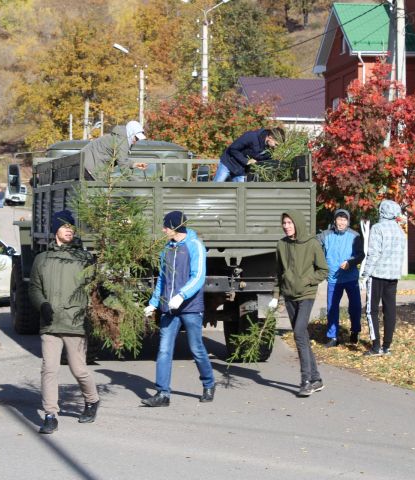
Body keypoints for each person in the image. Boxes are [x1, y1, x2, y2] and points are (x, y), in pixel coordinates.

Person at [29, 210, 100, 434]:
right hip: (50, 324)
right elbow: (34, 288)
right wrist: (42, 304)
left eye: (72, 226)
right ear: (55, 231)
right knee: (49, 369)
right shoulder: (42, 259)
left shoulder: (84, 258)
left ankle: (92, 400)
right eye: (64, 226)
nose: (69, 229)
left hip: (75, 323)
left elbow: (96, 287)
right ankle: (50, 414)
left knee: (78, 370)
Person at [142, 211, 215, 407]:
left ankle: (208, 383)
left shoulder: (195, 245)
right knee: (164, 350)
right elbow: (163, 279)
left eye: (166, 226)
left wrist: (181, 295)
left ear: (175, 227)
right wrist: (153, 303)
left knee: (196, 349)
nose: (163, 229)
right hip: (169, 309)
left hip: (190, 307)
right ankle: (162, 394)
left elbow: (198, 276)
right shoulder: (167, 249)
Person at [270, 210, 329, 397]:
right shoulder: (281, 244)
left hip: (306, 294)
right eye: (284, 223)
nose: (286, 226)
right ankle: (316, 379)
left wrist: (306, 280)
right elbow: (279, 273)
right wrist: (275, 296)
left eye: (289, 222)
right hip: (289, 295)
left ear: (297, 223)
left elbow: (323, 270)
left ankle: (305, 381)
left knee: (298, 333)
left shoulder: (312, 244)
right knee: (302, 335)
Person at [360, 199, 406, 356]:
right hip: (393, 276)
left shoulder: (378, 228)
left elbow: (373, 253)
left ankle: (375, 346)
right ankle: (387, 346)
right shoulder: (400, 231)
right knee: (390, 310)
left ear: (382, 212)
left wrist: (365, 275)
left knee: (371, 310)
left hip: (377, 274)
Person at [316, 209, 365, 347]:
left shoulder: (354, 235)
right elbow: (313, 246)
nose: (341, 222)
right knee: (332, 308)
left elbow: (361, 254)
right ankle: (333, 337)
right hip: (333, 278)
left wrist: (350, 262)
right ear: (335, 220)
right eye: (339, 219)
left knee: (355, 307)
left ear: (348, 222)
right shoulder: (326, 235)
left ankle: (355, 331)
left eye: (344, 219)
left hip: (350, 278)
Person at [81, 120, 149, 179]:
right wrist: (138, 183)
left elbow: (121, 159)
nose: (136, 141)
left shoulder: (119, 137)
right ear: (131, 133)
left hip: (85, 165)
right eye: (136, 138)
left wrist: (134, 164)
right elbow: (123, 165)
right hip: (88, 168)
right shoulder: (121, 141)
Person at [214, 127, 284, 182]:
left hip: (241, 170)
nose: (276, 147)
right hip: (228, 163)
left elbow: (265, 161)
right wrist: (246, 161)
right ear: (270, 137)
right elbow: (232, 149)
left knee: (241, 192)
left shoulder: (270, 149)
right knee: (216, 187)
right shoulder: (251, 136)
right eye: (276, 144)